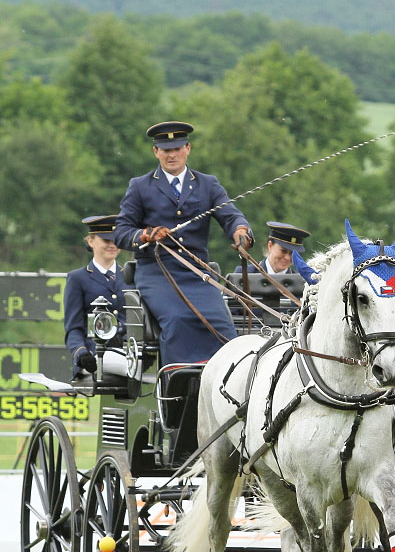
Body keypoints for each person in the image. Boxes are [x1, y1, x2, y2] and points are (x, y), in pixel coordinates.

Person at [114, 120, 253, 365]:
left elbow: (230, 214)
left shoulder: (208, 184)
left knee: (220, 323)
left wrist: (240, 231)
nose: (172, 155)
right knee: (177, 320)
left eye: (177, 149)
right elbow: (121, 232)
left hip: (197, 273)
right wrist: (146, 235)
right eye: (166, 150)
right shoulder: (140, 186)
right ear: (156, 152)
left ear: (188, 149)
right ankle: (175, 389)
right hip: (156, 273)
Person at [64, 215, 126, 378]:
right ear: (91, 241)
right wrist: (81, 353)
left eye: (116, 240)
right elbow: (73, 328)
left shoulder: (130, 276)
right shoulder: (78, 278)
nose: (112, 245)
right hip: (96, 354)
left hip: (130, 351)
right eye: (106, 240)